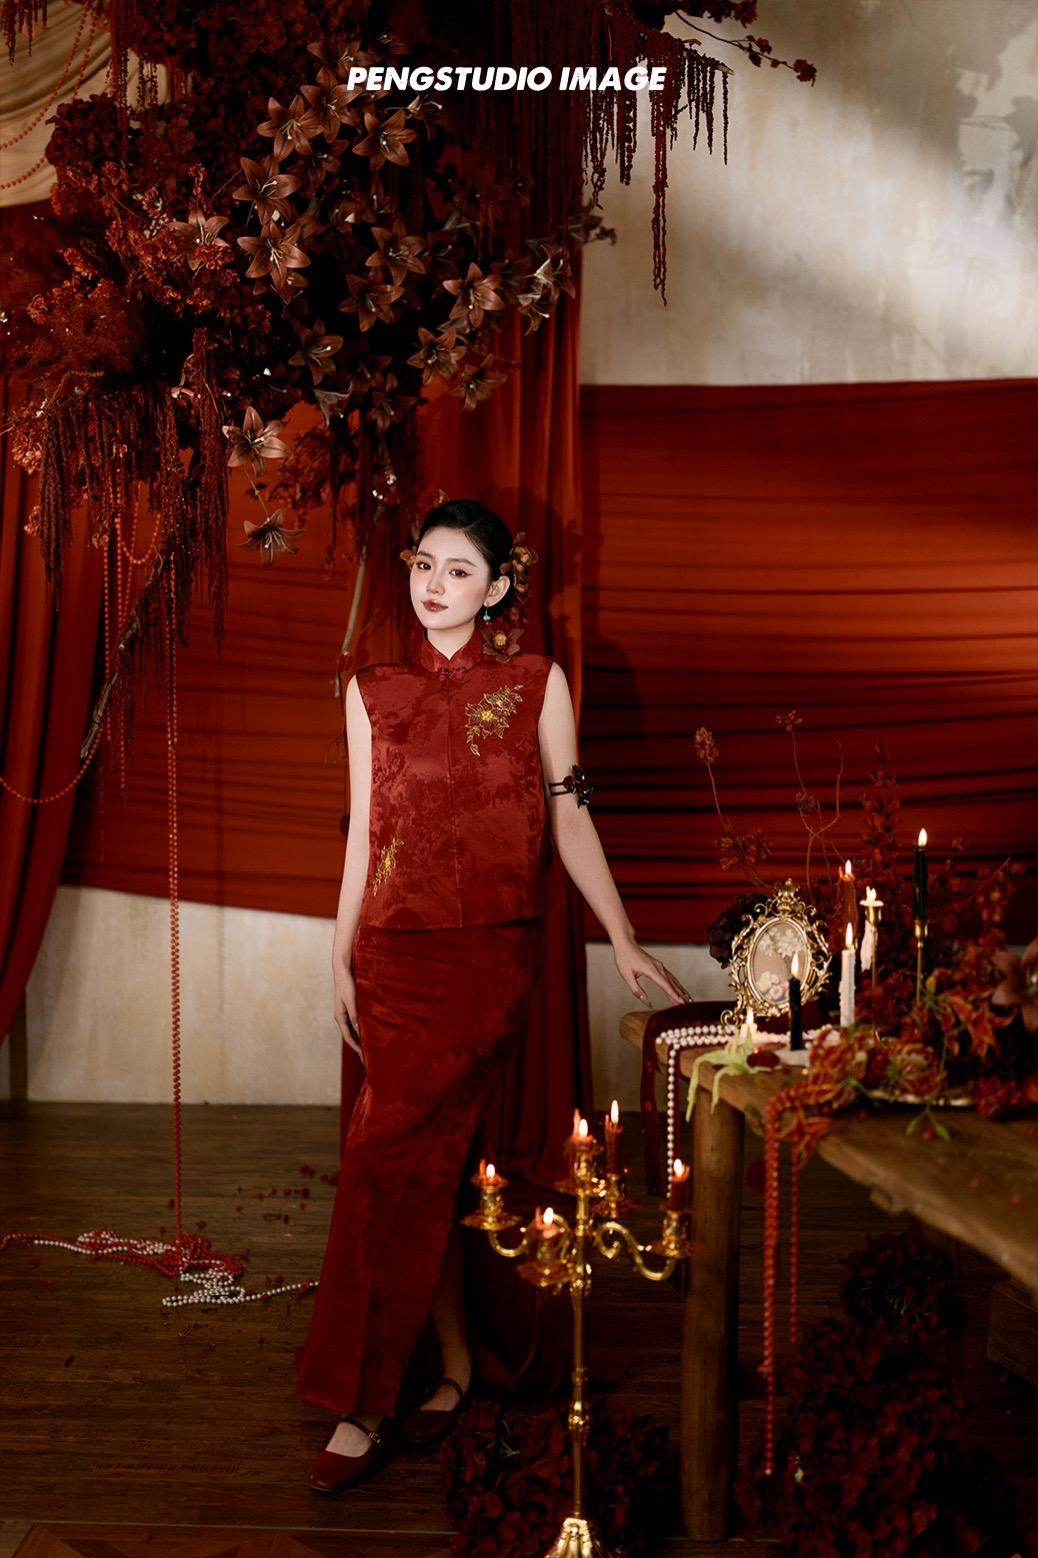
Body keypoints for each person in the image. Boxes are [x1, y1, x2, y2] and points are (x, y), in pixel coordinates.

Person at [296, 498, 690, 1493]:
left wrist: (622, 935)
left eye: (459, 570)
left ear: (500, 587)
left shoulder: (535, 683)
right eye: (423, 565)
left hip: (489, 959)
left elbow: (571, 820)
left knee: (401, 1161)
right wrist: (338, 954)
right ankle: (447, 1368)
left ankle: (362, 1402)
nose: (434, 585)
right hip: (391, 954)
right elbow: (362, 833)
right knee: (411, 1164)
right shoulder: (371, 689)